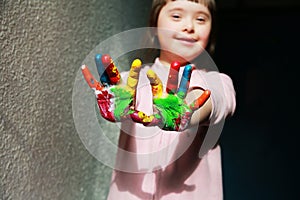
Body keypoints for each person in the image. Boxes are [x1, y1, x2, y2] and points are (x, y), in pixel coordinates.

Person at [82, 0, 236, 199]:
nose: (189, 26)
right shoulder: (130, 81)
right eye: (176, 16)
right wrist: (113, 103)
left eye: (200, 19)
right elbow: (115, 98)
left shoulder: (218, 82)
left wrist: (188, 112)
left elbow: (215, 101)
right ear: (154, 27)